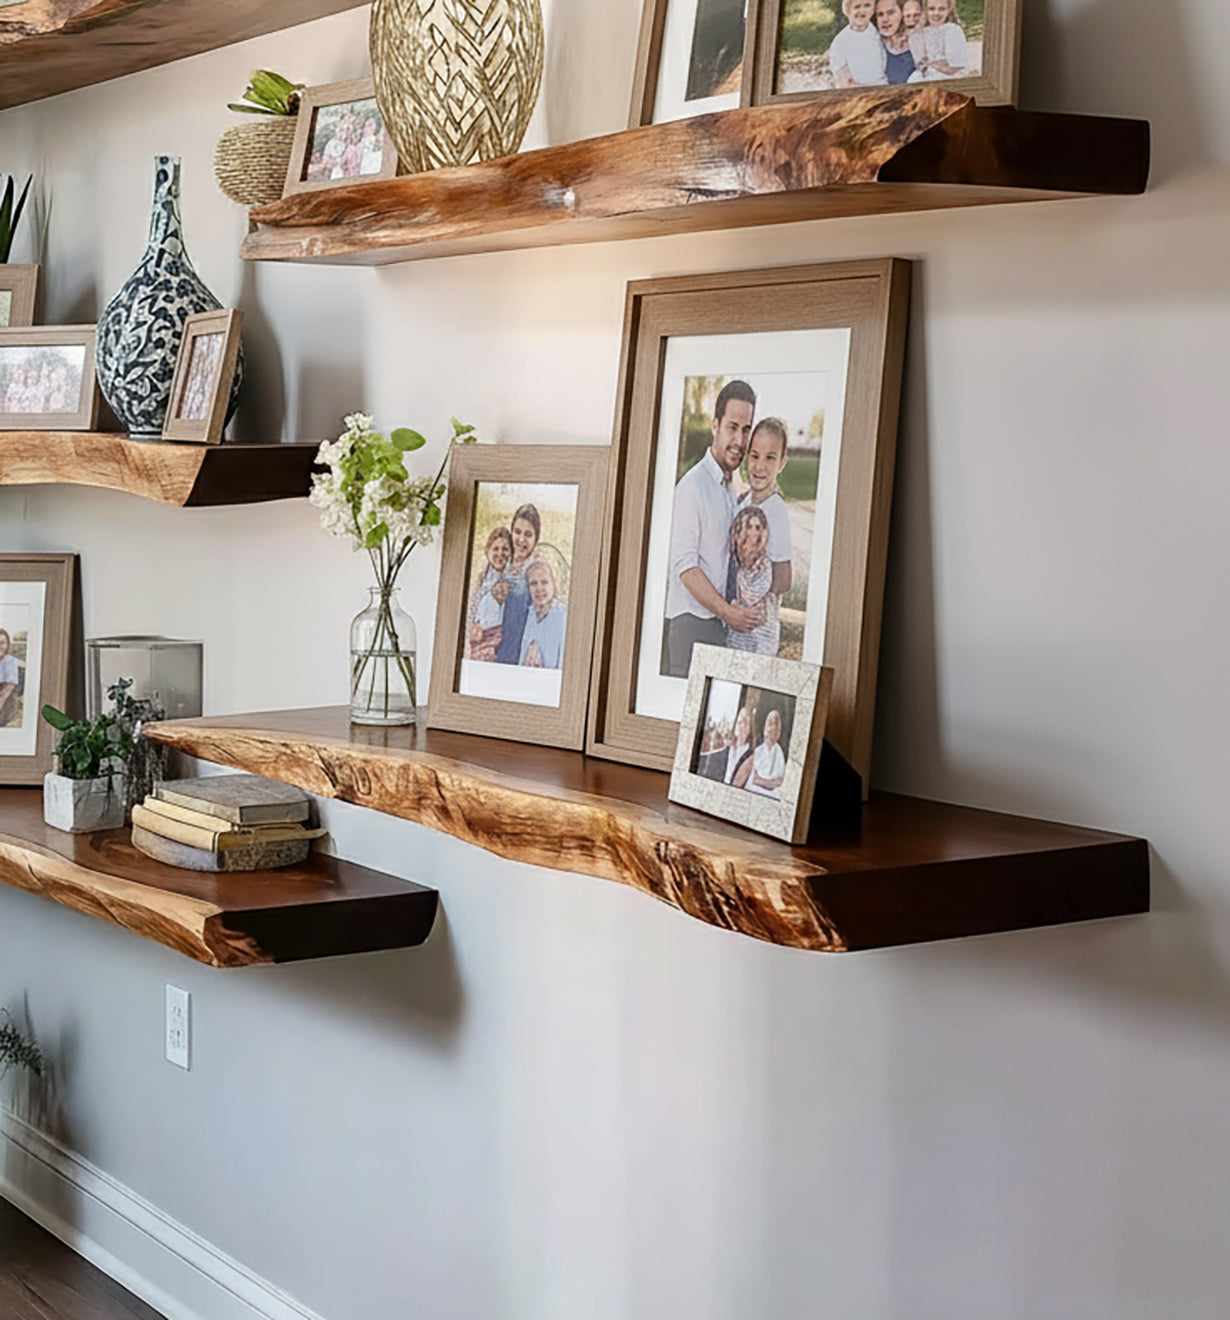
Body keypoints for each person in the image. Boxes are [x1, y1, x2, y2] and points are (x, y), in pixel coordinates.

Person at [665, 380, 763, 678]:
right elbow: (685, 566)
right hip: (691, 626)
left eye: (746, 430)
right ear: (715, 426)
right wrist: (727, 613)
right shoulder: (692, 487)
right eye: (732, 427)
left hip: (719, 628)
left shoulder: (730, 486)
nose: (739, 439)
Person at [725, 505, 779, 656]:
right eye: (749, 526)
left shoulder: (764, 563)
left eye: (758, 527)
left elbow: (750, 595)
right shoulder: (732, 561)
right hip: (736, 639)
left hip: (762, 641)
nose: (754, 532)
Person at [494, 504, 541, 665]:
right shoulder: (500, 559)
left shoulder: (535, 570)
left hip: (515, 650)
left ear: (536, 539)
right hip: (489, 645)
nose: (521, 540)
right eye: (517, 532)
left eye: (528, 535)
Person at [467, 525, 513, 662]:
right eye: (496, 549)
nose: (500, 553)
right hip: (479, 646)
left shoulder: (515, 581)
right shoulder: (481, 579)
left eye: (505, 549)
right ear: (488, 551)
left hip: (502, 649)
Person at [519, 558, 567, 669]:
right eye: (533, 583)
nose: (539, 588)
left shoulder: (562, 616)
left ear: (554, 584)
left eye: (544, 582)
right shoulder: (530, 614)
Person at [829, 0, 888, 88]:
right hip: (858, 92)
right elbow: (843, 82)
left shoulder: (879, 33)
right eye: (857, 7)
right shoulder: (841, 41)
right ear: (847, 10)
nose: (862, 10)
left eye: (867, 5)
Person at [909, 0, 968, 80]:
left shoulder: (952, 30)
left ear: (948, 10)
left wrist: (931, 65)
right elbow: (919, 64)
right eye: (932, 9)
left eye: (942, 9)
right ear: (925, 10)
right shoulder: (919, 33)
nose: (936, 13)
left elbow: (956, 66)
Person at [748, 708, 787, 798]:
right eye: (770, 723)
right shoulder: (757, 751)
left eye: (776, 724)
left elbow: (780, 782)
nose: (773, 727)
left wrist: (761, 781)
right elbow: (753, 779)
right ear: (765, 727)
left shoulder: (779, 752)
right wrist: (771, 783)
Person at [876, 0, 917, 84]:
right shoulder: (873, 46)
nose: (885, 19)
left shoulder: (920, 42)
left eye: (891, 13)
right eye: (880, 14)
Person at [0, 628, 21, 729]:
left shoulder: (10, 661)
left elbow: (8, 688)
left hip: (5, 703)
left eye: (2, 643)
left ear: (7, 645)